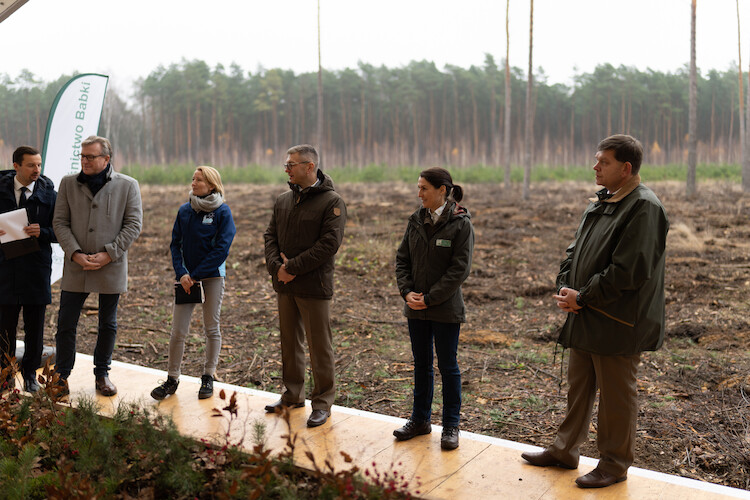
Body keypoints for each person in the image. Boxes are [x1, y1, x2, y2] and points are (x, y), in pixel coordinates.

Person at [521, 134, 669, 488]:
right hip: (586, 314)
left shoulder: (643, 207)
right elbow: (575, 250)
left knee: (617, 397)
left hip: (618, 320)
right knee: (579, 386)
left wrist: (583, 296)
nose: (595, 167)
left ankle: (614, 465)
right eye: (596, 160)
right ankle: (564, 450)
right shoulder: (602, 202)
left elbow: (629, 269)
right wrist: (564, 286)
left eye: (603, 162)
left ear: (626, 168)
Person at [263, 144, 346, 428]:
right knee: (290, 342)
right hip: (285, 286)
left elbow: (328, 245)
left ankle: (322, 403)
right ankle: (292, 395)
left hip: (314, 285)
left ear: (309, 167)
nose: (286, 169)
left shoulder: (331, 202)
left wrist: (292, 268)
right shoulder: (284, 200)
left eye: (291, 164)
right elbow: (270, 235)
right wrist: (277, 269)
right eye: (286, 164)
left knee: (319, 346)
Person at [52, 135, 143, 396]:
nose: (85, 161)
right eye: (82, 156)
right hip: (76, 264)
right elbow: (60, 222)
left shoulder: (128, 185)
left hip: (110, 265)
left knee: (108, 323)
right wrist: (75, 253)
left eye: (91, 157)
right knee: (66, 323)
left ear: (106, 159)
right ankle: (61, 376)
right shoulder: (68, 184)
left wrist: (109, 254)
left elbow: (133, 224)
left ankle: (102, 374)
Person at [393, 167, 474, 451]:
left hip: (445, 309)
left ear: (442, 190)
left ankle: (451, 425)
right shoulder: (415, 220)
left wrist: (430, 298)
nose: (419, 194)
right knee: (422, 365)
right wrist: (407, 292)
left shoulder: (460, 224)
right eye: (418, 188)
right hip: (416, 307)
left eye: (424, 188)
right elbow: (402, 259)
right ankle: (419, 420)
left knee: (448, 366)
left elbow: (459, 270)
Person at [151, 166, 235, 401]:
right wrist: (182, 274)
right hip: (186, 279)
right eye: (193, 179)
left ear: (211, 185)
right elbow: (174, 244)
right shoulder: (185, 210)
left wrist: (196, 274)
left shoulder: (222, 212)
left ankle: (208, 376)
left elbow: (222, 248)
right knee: (178, 330)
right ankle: (171, 379)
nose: (193, 183)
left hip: (211, 277)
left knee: (211, 327)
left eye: (199, 180)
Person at [0, 146, 57, 393]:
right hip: (5, 270)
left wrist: (42, 232)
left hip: (36, 270)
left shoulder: (51, 196)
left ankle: (30, 374)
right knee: (4, 327)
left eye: (39, 165)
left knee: (35, 327)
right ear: (16, 166)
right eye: (31, 165)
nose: (37, 170)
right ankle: (5, 375)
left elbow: (62, 231)